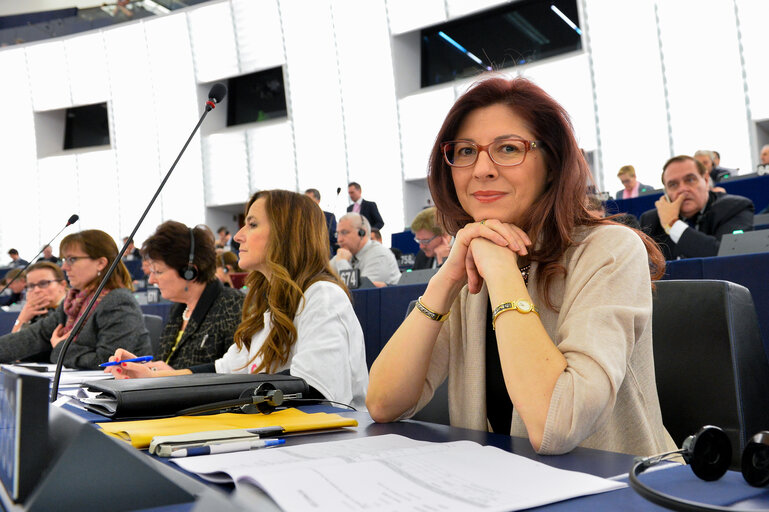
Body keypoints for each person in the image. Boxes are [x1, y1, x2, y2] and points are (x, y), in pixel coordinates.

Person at [366, 76, 676, 457]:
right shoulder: (468, 268)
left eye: (508, 148)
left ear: (552, 165)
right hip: (499, 489)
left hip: (615, 489)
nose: (481, 169)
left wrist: (501, 270)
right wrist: (446, 279)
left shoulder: (609, 250)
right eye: (464, 151)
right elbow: (383, 402)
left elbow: (557, 426)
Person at [105, 190, 368, 410]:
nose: (237, 236)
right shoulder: (269, 304)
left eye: (252, 225)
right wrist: (154, 377)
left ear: (286, 234)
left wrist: (165, 381)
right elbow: (224, 370)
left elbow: (314, 388)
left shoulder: (322, 295)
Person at [0, 230, 151, 368]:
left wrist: (60, 348)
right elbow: (36, 335)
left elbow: (108, 362)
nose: (64, 267)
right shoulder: (72, 303)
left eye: (72, 259)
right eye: (65, 259)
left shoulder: (118, 301)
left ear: (100, 263)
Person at [137, 221, 244, 368]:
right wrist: (138, 367)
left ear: (189, 272)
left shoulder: (233, 306)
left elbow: (236, 375)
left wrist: (174, 377)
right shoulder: (179, 309)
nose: (151, 279)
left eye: (158, 272)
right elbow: (163, 366)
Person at [639, 155, 754, 260]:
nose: (682, 189)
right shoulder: (651, 220)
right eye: (673, 185)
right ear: (666, 193)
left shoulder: (735, 208)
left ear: (706, 180)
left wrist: (673, 225)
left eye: (690, 180)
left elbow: (727, 257)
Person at [330, 213, 401, 287]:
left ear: (362, 233)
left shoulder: (379, 254)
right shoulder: (347, 253)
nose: (339, 239)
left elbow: (360, 293)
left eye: (344, 233)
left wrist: (342, 263)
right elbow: (321, 276)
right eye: (337, 234)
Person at [11, 262, 67, 334]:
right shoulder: (34, 312)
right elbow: (13, 342)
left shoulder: (73, 310)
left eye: (43, 283)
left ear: (62, 285)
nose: (36, 290)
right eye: (31, 286)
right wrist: (22, 319)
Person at [305, 188, 337, 254]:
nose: (306, 203)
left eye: (309, 200)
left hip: (324, 250)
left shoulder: (329, 217)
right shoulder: (301, 217)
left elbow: (332, 238)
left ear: (318, 200)